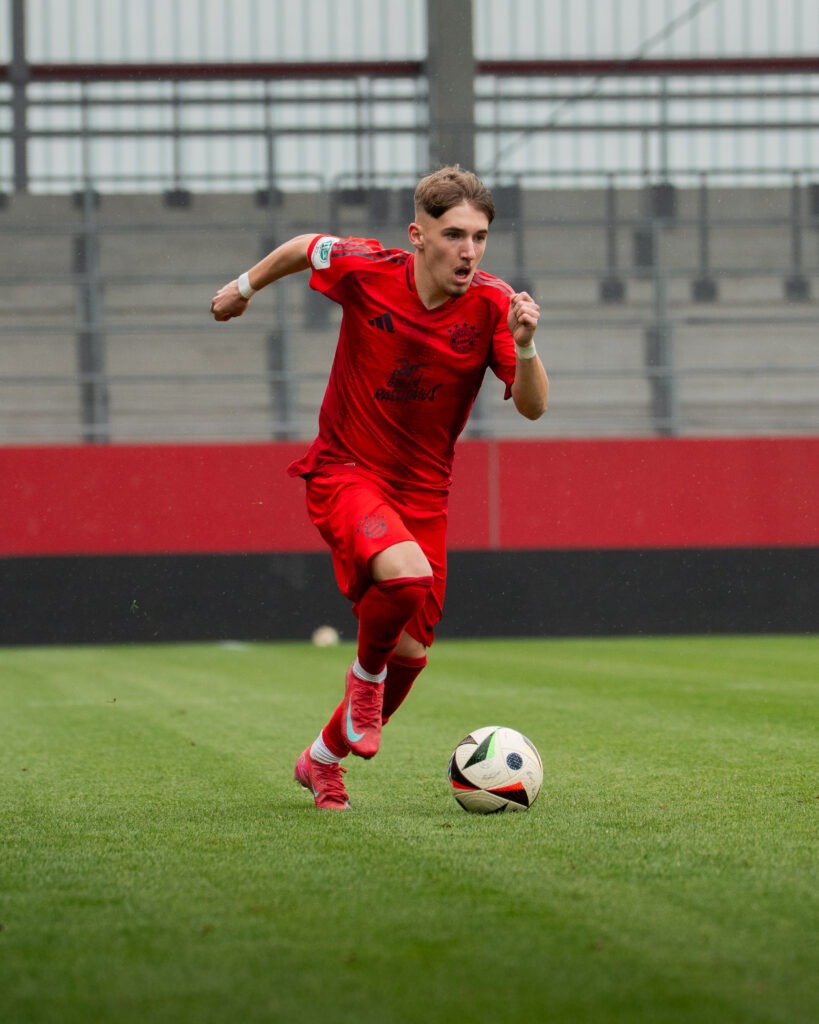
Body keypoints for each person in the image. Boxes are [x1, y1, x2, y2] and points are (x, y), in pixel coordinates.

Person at [210, 165, 548, 810]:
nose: (469, 251)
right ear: (418, 236)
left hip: (425, 494)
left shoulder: (493, 307)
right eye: (454, 235)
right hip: (347, 469)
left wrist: (526, 347)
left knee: (413, 653)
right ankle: (364, 678)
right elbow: (304, 246)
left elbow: (533, 407)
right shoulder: (368, 268)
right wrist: (243, 287)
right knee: (405, 579)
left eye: (479, 237)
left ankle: (321, 760)